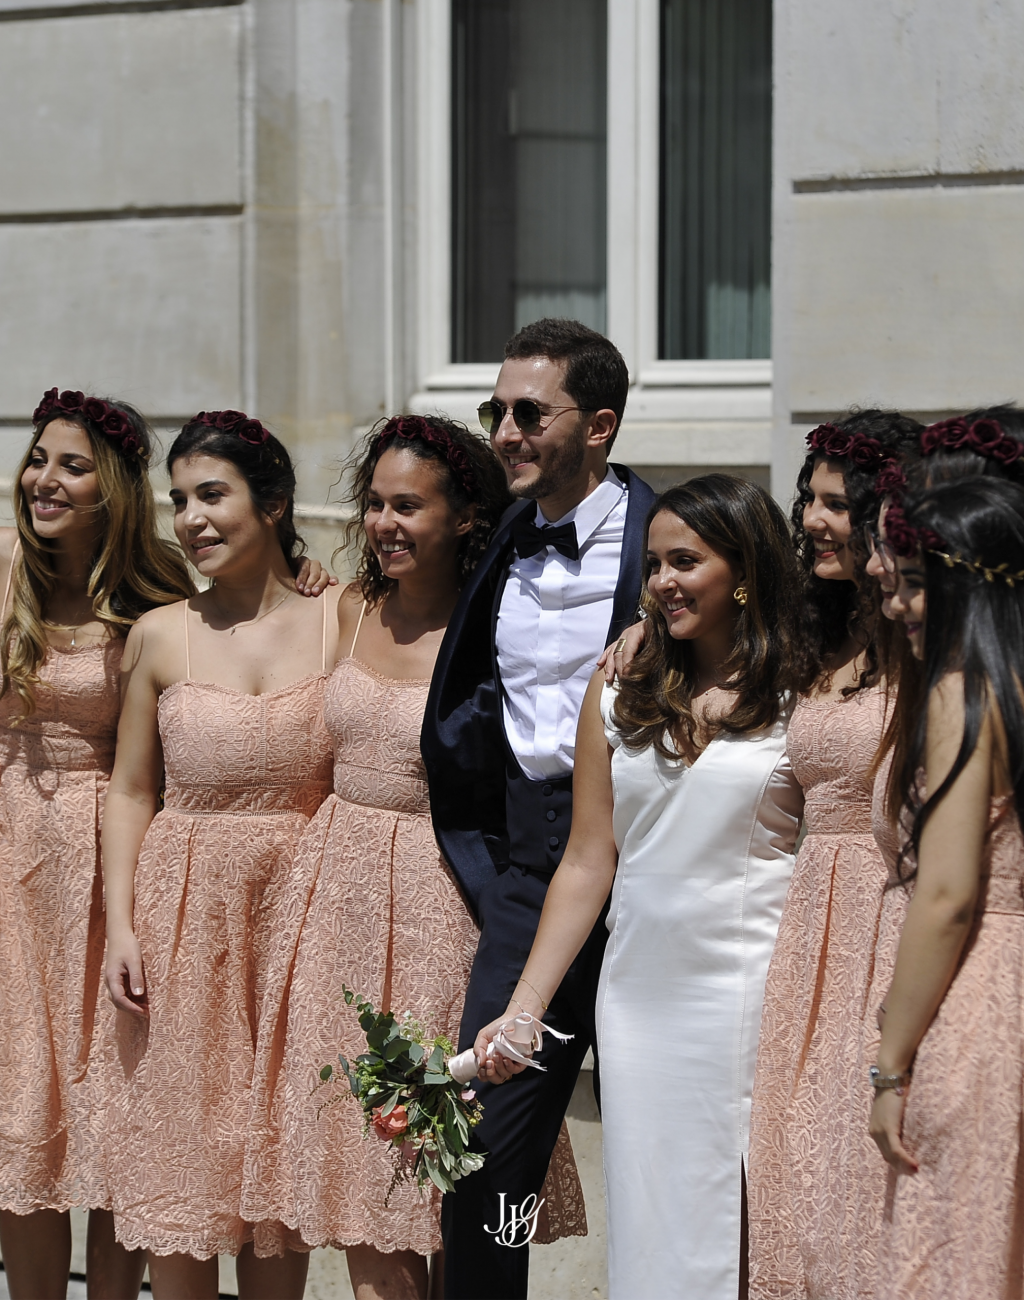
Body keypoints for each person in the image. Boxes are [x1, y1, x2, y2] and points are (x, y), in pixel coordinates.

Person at [242, 414, 585, 1300]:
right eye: (374, 504)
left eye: (407, 506)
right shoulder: (348, 608)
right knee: (363, 1170)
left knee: (442, 1161)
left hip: (445, 906)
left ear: (465, 517)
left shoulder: (502, 626)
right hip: (335, 906)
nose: (384, 523)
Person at [473, 474, 810, 1300]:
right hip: (637, 999)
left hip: (755, 993)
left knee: (745, 1217)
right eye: (654, 564)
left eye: (685, 562)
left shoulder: (805, 693)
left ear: (745, 569)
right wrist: (525, 1007)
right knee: (653, 1220)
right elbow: (589, 861)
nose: (662, 581)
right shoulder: (619, 686)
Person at [420, 318, 655, 1300]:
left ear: (599, 425)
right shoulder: (497, 538)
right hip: (527, 880)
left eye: (528, 412)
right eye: (495, 411)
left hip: (653, 893)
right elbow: (390, 560)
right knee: (481, 1158)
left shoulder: (672, 541)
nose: (504, 433)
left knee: (668, 1160)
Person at [101, 411, 340, 1300]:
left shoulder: (345, 618)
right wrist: (122, 927)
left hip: (301, 921)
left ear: (272, 503)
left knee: (277, 1168)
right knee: (183, 1161)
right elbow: (131, 790)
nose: (191, 519)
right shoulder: (160, 634)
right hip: (183, 922)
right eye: (179, 501)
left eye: (212, 494)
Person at [0, 389, 192, 1300]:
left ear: (113, 487)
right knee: (20, 1099)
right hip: (9, 860)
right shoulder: (5, 571)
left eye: (71, 465)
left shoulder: (160, 589)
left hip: (113, 863)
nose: (43, 479)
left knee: (118, 1105)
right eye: (38, 459)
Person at [747, 412, 921, 1300]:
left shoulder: (929, 640)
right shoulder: (813, 632)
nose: (813, 520)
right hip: (809, 923)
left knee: (864, 1162)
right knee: (797, 1153)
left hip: (896, 915)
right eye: (809, 499)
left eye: (838, 505)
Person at [867, 477, 1024, 1298]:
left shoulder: (966, 694)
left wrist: (890, 1067)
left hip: (987, 1001)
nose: (896, 604)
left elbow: (948, 896)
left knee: (960, 1254)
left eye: (917, 584)